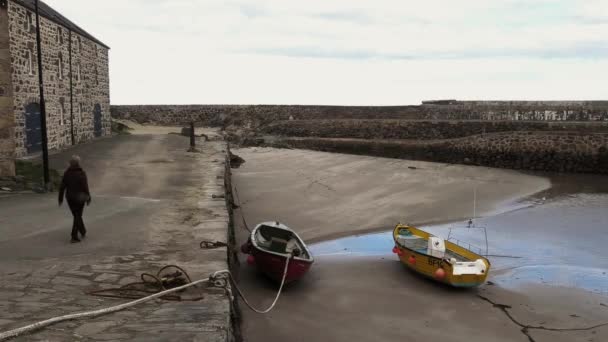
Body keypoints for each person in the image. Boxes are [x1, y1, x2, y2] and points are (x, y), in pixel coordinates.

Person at [58, 155, 91, 243]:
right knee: (77, 215)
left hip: (70, 198)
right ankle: (74, 236)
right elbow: (85, 187)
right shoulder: (81, 173)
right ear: (78, 163)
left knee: (76, 215)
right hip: (79, 197)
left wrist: (60, 198)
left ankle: (83, 230)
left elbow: (62, 186)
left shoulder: (67, 173)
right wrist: (88, 197)